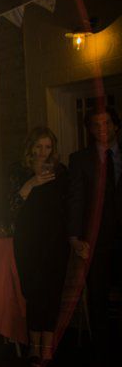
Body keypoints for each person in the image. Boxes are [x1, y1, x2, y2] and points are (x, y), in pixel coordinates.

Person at [9, 127, 69, 365]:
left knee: (52, 291)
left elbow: (67, 206)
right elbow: (11, 206)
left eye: (48, 147)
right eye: (39, 147)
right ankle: (33, 346)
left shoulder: (61, 172)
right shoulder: (19, 170)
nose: (43, 152)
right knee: (33, 291)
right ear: (30, 147)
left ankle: (48, 346)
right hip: (28, 240)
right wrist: (32, 182)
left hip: (54, 240)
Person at [67, 107, 122, 340]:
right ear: (89, 129)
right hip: (95, 239)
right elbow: (76, 199)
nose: (102, 129)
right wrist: (74, 237)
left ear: (115, 125)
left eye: (107, 123)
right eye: (96, 125)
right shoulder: (80, 159)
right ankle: (101, 349)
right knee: (98, 294)